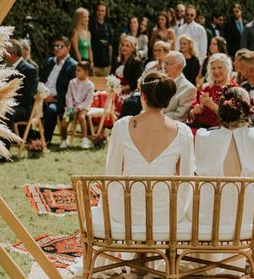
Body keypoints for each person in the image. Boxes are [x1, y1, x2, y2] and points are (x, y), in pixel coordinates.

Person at [194, 85, 254, 276]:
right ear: (247, 110)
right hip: (245, 227)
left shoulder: (204, 137)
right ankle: (242, 257)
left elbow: (193, 176)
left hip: (207, 228)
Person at [103, 71, 194, 230]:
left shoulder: (122, 126)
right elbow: (186, 180)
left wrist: (110, 205)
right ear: (168, 98)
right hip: (167, 215)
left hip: (126, 213)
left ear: (142, 96)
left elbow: (112, 173)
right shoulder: (183, 132)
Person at [40, 37, 77, 144]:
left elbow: (71, 91)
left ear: (68, 48)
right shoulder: (50, 61)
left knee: (51, 110)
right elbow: (42, 80)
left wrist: (54, 98)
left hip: (60, 100)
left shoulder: (73, 65)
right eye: (55, 46)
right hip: (42, 97)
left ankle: (46, 140)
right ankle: (30, 137)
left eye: (60, 46)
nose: (57, 48)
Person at [188, 53, 236, 131]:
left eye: (220, 67)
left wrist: (211, 105)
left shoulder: (234, 89)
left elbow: (231, 118)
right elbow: (191, 114)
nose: (216, 71)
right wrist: (194, 111)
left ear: (227, 68)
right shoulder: (207, 88)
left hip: (218, 130)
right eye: (213, 68)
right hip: (199, 127)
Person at [4, 39, 39, 134]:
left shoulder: (30, 70)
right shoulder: (6, 66)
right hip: (7, 104)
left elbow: (27, 97)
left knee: (5, 112)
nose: (3, 54)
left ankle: (5, 145)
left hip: (23, 109)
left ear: (13, 54)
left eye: (5, 51)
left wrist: (7, 100)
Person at [61, 61, 95, 149]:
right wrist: (70, 108)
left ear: (86, 72)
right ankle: (64, 140)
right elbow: (68, 96)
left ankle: (85, 140)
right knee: (64, 123)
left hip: (84, 106)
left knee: (81, 117)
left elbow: (88, 101)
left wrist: (78, 108)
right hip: (71, 106)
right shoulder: (72, 82)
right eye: (76, 70)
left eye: (79, 70)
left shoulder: (90, 85)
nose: (76, 72)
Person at [163, 51, 196, 122]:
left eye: (168, 64)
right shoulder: (160, 81)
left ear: (179, 66)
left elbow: (179, 116)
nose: (164, 66)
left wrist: (155, 117)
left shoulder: (189, 89)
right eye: (164, 63)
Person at [89, 2, 115, 76]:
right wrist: (91, 62)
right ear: (95, 11)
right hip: (94, 64)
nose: (100, 13)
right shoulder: (90, 24)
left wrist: (110, 63)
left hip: (106, 65)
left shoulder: (108, 26)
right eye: (98, 10)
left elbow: (110, 45)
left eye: (103, 11)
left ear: (106, 12)